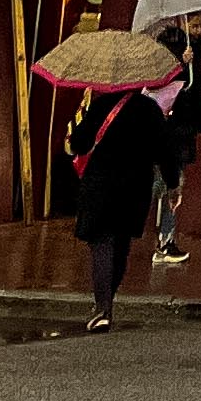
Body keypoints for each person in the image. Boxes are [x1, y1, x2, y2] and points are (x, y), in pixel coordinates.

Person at [65, 79, 169, 330]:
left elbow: (78, 143)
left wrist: (80, 119)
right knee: (121, 244)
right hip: (135, 188)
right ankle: (106, 302)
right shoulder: (150, 109)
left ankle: (103, 308)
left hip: (101, 185)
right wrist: (172, 180)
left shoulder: (100, 106)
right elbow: (164, 149)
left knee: (102, 243)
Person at [149, 38, 201, 264]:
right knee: (165, 187)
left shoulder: (195, 55)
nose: (200, 30)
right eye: (196, 24)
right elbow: (184, 94)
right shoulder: (174, 51)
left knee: (168, 188)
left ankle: (166, 240)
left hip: (177, 138)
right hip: (172, 137)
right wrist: (182, 65)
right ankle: (165, 242)